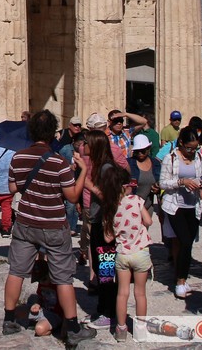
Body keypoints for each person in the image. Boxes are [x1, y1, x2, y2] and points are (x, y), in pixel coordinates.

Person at [1, 110, 96, 345]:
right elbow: (73, 197)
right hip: (53, 224)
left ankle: (9, 319)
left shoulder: (18, 157)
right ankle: (73, 328)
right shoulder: (60, 163)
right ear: (54, 134)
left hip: (25, 222)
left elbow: (12, 188)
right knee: (63, 277)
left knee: (17, 271)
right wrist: (82, 172)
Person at [102, 164, 151, 342]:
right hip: (140, 252)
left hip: (122, 254)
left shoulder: (110, 207)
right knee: (140, 293)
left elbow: (108, 238)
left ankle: (121, 329)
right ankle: (140, 329)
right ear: (125, 185)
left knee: (122, 293)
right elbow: (149, 220)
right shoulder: (137, 201)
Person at [81, 129, 122, 330]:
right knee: (99, 268)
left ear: (95, 145)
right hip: (98, 222)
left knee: (106, 270)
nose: (83, 146)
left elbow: (112, 199)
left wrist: (88, 184)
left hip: (106, 226)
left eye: (86, 143)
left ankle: (109, 313)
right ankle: (102, 308)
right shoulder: (99, 166)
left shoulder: (107, 168)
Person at [158, 127, 202, 299]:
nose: (192, 152)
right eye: (189, 148)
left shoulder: (199, 157)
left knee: (188, 243)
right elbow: (163, 183)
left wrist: (201, 185)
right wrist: (181, 181)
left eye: (195, 148)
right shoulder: (170, 158)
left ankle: (183, 277)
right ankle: (179, 280)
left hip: (193, 205)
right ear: (181, 143)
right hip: (175, 205)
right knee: (184, 241)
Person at [127, 134, 157, 211]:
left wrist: (157, 188)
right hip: (131, 207)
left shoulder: (156, 163)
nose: (140, 153)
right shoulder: (128, 164)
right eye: (137, 151)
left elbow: (160, 183)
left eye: (143, 150)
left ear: (148, 148)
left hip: (148, 206)